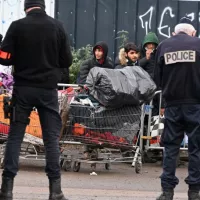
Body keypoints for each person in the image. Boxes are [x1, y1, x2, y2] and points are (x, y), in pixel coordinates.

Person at [0, 0, 72, 199]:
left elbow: (4, 57)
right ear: (43, 6)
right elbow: (67, 60)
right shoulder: (57, 27)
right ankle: (55, 191)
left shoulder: (17, 26)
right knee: (50, 139)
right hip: (48, 90)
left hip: (23, 90)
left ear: (26, 7)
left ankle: (6, 190)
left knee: (15, 137)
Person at [155, 16, 200, 200]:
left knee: (171, 148)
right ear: (193, 33)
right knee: (196, 149)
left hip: (172, 106)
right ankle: (195, 192)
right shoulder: (199, 45)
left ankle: (167, 192)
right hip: (196, 105)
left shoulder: (164, 46)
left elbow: (157, 79)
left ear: (174, 33)